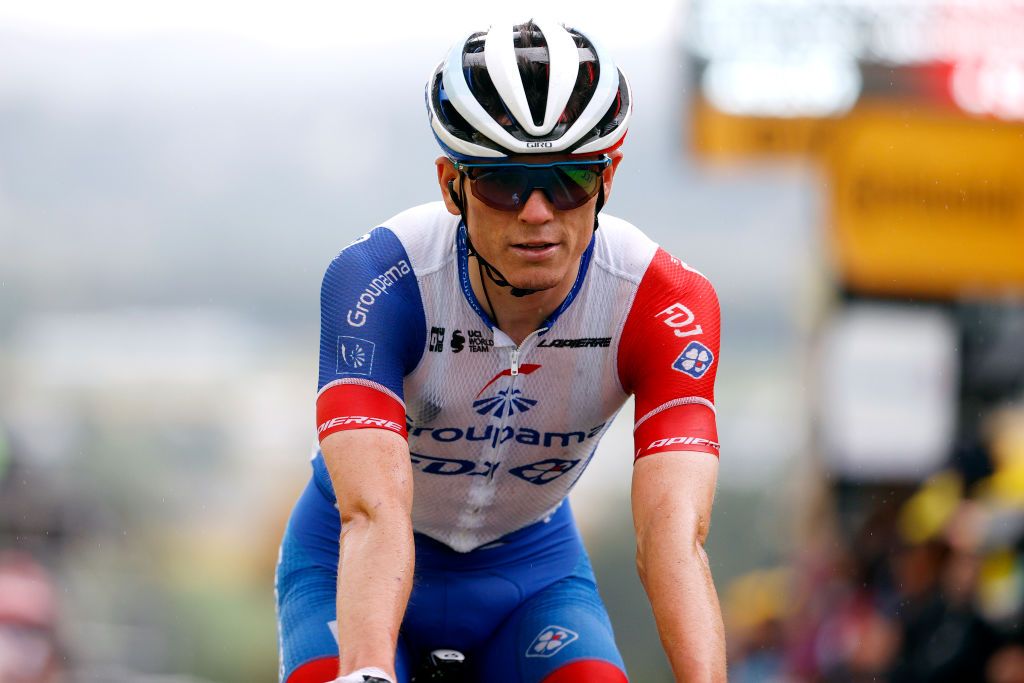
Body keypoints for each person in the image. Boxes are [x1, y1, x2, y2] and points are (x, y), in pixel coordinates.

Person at [276, 20, 725, 683]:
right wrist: (366, 669)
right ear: (452, 184)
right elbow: (372, 510)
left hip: (532, 577)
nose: (538, 211)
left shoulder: (663, 301)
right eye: (504, 182)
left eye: (569, 177)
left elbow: (671, 535)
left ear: (609, 178)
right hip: (354, 561)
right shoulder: (380, 279)